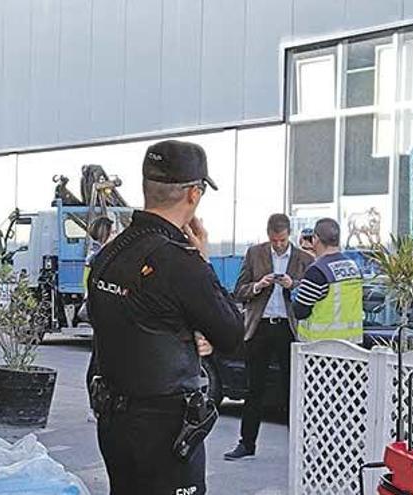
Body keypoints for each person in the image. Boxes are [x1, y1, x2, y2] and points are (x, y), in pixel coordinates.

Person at [86, 140, 244, 495]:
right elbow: (232, 334)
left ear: (146, 187)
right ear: (194, 193)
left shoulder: (108, 256)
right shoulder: (180, 262)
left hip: (114, 422)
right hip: (165, 430)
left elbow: (131, 323)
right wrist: (202, 261)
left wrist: (185, 333)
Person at [224, 214, 313, 461]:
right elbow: (238, 292)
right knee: (254, 389)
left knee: (292, 390)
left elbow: (314, 293)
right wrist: (258, 285)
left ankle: (300, 448)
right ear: (268, 235)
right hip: (260, 327)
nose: (278, 245)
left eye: (282, 240)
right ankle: (246, 443)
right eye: (274, 241)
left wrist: (292, 284)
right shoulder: (255, 254)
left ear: (289, 235)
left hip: (289, 329)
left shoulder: (305, 259)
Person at [292, 218, 364, 343]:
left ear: (315, 239)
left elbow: (300, 311)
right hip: (352, 345)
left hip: (321, 347)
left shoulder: (317, 271)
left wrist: (294, 291)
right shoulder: (353, 267)